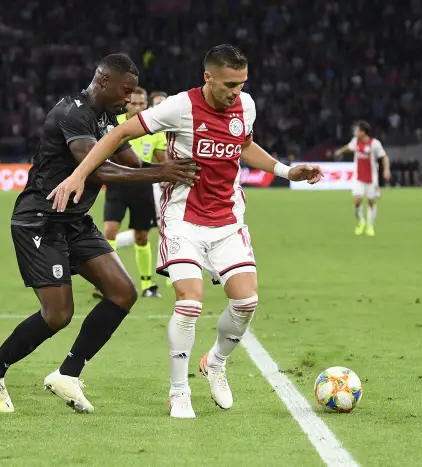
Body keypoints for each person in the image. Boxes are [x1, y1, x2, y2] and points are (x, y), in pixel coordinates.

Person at [47, 44, 324, 418]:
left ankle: (216, 363)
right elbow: (119, 134)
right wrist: (79, 174)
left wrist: (287, 171)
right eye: (229, 84)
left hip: (228, 219)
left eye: (241, 84)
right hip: (183, 219)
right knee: (190, 302)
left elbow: (244, 145)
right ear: (208, 77)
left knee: (246, 302)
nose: (235, 92)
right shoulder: (180, 107)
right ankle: (179, 392)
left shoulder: (247, 105)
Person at [0, 54, 199, 414]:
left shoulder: (108, 116)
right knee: (58, 314)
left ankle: (68, 373)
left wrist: (166, 150)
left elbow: (133, 163)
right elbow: (94, 170)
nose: (129, 99)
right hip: (40, 221)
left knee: (123, 292)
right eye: (125, 91)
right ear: (104, 81)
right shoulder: (72, 113)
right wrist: (162, 174)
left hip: (74, 221)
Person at [95, 87, 167, 300]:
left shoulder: (154, 128)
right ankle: (108, 282)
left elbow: (162, 161)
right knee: (109, 231)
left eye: (141, 104)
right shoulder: (113, 123)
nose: (137, 107)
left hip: (142, 186)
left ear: (146, 104)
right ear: (127, 103)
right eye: (133, 103)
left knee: (141, 236)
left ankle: (147, 284)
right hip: (116, 183)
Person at [334, 121, 390, 236]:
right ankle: (361, 221)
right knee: (357, 201)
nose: (355, 132)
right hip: (358, 177)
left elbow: (384, 157)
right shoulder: (356, 141)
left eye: (357, 130)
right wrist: (340, 152)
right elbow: (348, 147)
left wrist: (386, 170)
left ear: (363, 132)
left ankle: (370, 226)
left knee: (371, 201)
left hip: (371, 178)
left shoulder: (374, 144)